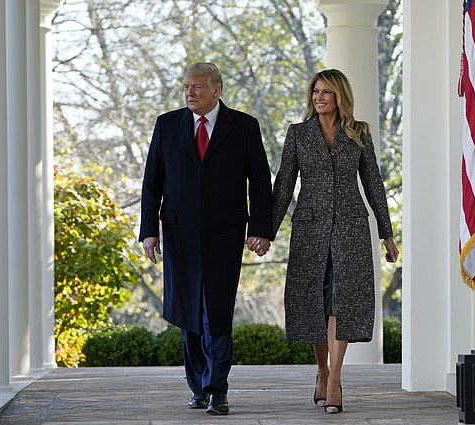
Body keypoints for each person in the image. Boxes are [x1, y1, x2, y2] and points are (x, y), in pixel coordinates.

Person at [139, 62, 273, 415]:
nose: (190, 93)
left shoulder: (243, 126)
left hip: (225, 234)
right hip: (179, 233)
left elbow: (260, 182)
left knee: (216, 310)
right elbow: (152, 180)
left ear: (217, 89)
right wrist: (148, 231)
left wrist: (260, 229)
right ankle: (198, 386)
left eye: (197, 87)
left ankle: (218, 388)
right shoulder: (167, 125)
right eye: (186, 87)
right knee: (188, 311)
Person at [271, 69, 399, 414]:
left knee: (341, 300)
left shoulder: (359, 133)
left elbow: (374, 184)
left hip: (351, 228)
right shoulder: (298, 134)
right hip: (309, 228)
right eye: (315, 92)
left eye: (326, 92)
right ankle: (323, 371)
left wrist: (387, 234)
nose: (319, 97)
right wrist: (266, 232)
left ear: (339, 95)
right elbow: (284, 184)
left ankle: (336, 379)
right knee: (313, 299)